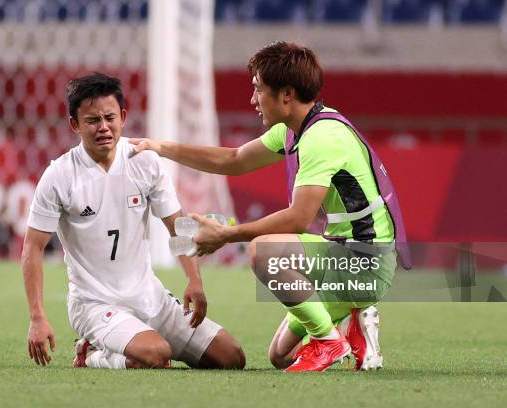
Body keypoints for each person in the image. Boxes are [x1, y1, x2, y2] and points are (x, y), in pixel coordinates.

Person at [130, 41, 410, 372]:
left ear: (287, 94)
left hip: (365, 263)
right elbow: (234, 160)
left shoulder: (322, 138)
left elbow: (299, 219)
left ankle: (328, 340)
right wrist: (160, 147)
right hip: (344, 256)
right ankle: (355, 326)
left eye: (258, 89)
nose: (253, 100)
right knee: (279, 356)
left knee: (264, 252)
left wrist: (227, 234)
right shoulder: (296, 129)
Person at [22, 73, 245, 370]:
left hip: (150, 298)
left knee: (231, 357)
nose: (103, 127)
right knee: (156, 355)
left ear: (123, 117)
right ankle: (93, 355)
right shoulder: (59, 176)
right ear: (74, 124)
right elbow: (32, 248)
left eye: (109, 117)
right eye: (92, 120)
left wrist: (194, 280)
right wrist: (37, 318)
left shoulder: (145, 161)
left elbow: (176, 225)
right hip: (95, 305)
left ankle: (126, 346)